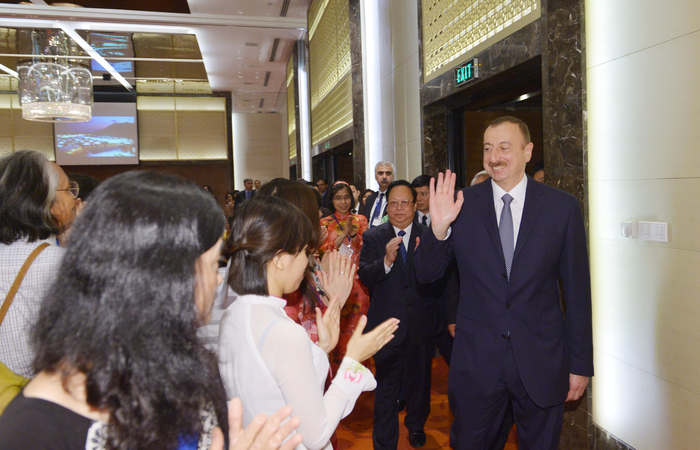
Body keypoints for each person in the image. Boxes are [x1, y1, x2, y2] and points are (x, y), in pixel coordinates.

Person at [0, 171, 303, 450]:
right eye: (212, 266)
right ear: (162, 280)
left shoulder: (189, 366)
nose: (218, 280)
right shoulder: (32, 429)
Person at [415, 116, 593, 449]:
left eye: (504, 147)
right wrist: (438, 229)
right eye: (487, 148)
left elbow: (578, 293)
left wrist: (580, 365)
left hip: (542, 360)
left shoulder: (561, 208)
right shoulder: (461, 204)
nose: (494, 156)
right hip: (476, 363)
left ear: (527, 151)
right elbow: (426, 276)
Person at [218, 195, 399, 450]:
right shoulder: (282, 331)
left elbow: (274, 388)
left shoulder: (235, 313)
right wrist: (353, 362)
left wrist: (321, 348)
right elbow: (316, 435)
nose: (307, 262)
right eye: (304, 252)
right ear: (280, 258)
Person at [358, 180, 439, 450]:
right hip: (386, 327)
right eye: (393, 203)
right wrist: (386, 262)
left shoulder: (428, 235)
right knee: (386, 389)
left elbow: (439, 278)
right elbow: (365, 275)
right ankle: (384, 442)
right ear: (386, 206)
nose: (399, 208)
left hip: (419, 324)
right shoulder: (373, 237)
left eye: (405, 202)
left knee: (419, 383)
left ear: (415, 206)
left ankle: (416, 426)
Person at [0, 150, 78, 379]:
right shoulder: (59, 263)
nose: (74, 198)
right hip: (31, 395)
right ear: (46, 201)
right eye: (68, 189)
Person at [320, 181, 370, 372]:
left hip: (358, 283)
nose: (343, 202)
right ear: (331, 200)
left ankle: (358, 374)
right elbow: (323, 253)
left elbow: (367, 248)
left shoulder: (361, 220)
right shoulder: (324, 223)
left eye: (346, 197)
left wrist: (355, 236)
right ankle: (335, 375)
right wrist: (343, 236)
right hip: (334, 283)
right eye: (338, 198)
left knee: (358, 328)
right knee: (335, 328)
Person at [362, 162, 395, 228]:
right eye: (380, 173)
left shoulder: (396, 198)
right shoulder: (370, 198)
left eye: (388, 173)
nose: (384, 177)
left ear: (393, 177)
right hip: (370, 236)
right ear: (375, 176)